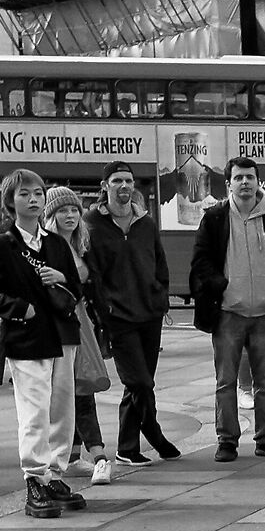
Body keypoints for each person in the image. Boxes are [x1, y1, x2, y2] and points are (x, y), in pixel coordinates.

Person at [0, 169, 84, 519]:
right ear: (11, 201)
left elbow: (79, 293)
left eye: (39, 193)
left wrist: (63, 278)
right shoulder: (0, 247)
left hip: (63, 335)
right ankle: (35, 478)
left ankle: (56, 473)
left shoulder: (56, 244)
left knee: (63, 409)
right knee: (34, 411)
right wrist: (20, 308)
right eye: (25, 194)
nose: (34, 199)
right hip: (27, 338)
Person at [189, 156, 265, 462]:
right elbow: (201, 261)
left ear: (257, 181)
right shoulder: (214, 218)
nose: (244, 183)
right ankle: (227, 440)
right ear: (229, 184)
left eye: (249, 177)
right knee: (226, 382)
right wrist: (221, 285)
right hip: (228, 313)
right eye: (238, 178)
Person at [86, 163, 178, 465]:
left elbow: (160, 263)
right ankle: (154, 433)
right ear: (105, 186)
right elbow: (93, 272)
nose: (123, 186)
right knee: (139, 382)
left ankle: (127, 447)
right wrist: (105, 309)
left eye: (128, 180)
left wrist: (160, 297)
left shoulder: (146, 222)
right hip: (118, 317)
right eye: (116, 181)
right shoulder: (92, 223)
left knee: (139, 383)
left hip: (149, 313)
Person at [43, 188, 113, 485]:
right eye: (62, 211)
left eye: (74, 210)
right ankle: (99, 456)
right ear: (50, 215)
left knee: (79, 386)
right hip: (60, 326)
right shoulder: (48, 247)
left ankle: (71, 457)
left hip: (83, 323)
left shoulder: (82, 244)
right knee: (75, 389)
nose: (70, 216)